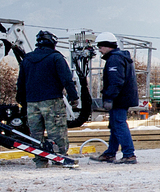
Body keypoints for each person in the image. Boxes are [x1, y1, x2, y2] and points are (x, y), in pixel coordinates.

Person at [15, 31, 80, 168]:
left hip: (32, 102)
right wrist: (73, 97)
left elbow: (20, 82)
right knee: (56, 131)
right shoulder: (56, 57)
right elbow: (67, 80)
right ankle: (59, 158)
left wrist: (22, 100)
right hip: (52, 100)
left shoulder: (27, 59)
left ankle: (40, 160)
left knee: (35, 133)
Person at [93, 32, 138, 164]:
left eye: (100, 47)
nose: (99, 50)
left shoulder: (114, 60)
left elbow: (116, 81)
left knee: (119, 124)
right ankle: (110, 153)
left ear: (107, 46)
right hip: (123, 97)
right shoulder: (120, 57)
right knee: (114, 125)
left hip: (119, 99)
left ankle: (129, 154)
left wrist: (109, 98)